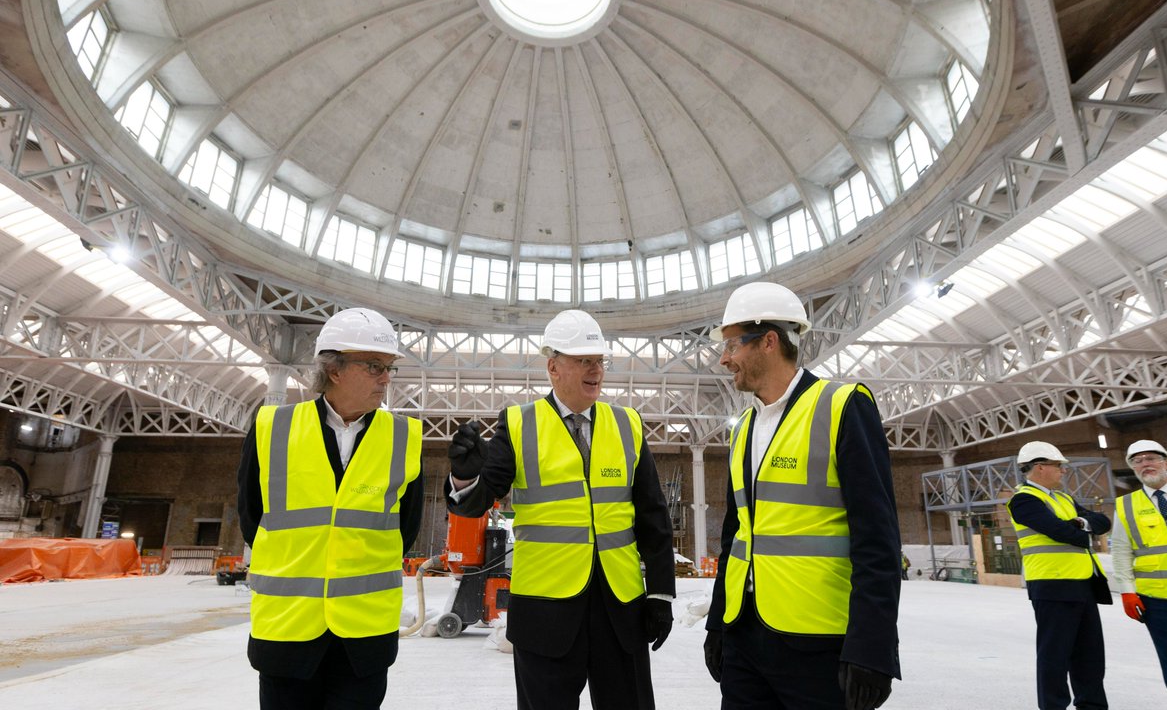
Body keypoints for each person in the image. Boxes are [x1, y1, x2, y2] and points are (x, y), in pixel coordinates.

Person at [444, 309, 675, 710]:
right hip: (545, 610)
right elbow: (481, 499)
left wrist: (660, 593)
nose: (595, 370)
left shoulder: (628, 424)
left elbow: (653, 516)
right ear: (553, 367)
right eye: (584, 360)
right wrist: (464, 478)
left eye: (600, 361)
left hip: (619, 608)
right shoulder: (518, 424)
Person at [703, 281, 901, 710]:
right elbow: (734, 538)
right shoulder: (743, 430)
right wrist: (718, 623)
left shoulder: (842, 406)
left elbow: (878, 538)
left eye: (732, 345)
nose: (724, 358)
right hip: (744, 636)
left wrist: (873, 645)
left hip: (819, 642)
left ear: (769, 341)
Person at [236, 307, 424, 710]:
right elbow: (252, 516)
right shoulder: (273, 427)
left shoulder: (404, 437)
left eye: (389, 367)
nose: (386, 378)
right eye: (375, 366)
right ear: (334, 369)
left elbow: (405, 528)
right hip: (287, 632)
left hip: (364, 637)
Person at [1006, 440, 1111, 710]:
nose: (1063, 471)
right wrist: (1082, 530)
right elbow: (1061, 532)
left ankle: (1093, 706)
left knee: (1090, 656)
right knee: (1055, 657)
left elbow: (1103, 521)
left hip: (1084, 585)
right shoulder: (1024, 500)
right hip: (1053, 587)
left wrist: (1081, 523)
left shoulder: (1064, 499)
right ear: (1040, 467)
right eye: (1058, 466)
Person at [1112, 439, 1167, 710]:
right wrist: (1127, 590)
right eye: (1137, 461)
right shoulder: (1125, 505)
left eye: (1151, 458)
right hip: (1158, 597)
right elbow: (1121, 550)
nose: (1144, 464)